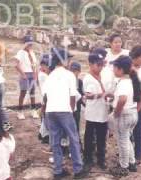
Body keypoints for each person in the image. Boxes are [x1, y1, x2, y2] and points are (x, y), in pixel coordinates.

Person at [42, 47, 88, 179]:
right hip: (64, 110)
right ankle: (78, 169)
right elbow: (73, 96)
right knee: (73, 139)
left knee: (55, 141)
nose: (69, 61)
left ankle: (58, 170)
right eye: (68, 59)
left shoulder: (50, 75)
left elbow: (45, 97)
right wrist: (72, 111)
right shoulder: (69, 75)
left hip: (51, 111)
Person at [109, 55, 141, 177]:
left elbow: (122, 99)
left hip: (124, 114)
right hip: (133, 113)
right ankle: (132, 162)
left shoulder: (123, 83)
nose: (113, 70)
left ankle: (124, 167)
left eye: (114, 67)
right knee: (127, 138)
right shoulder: (131, 81)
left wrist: (117, 112)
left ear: (120, 70)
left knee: (122, 140)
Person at [82, 53, 109, 170]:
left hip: (102, 113)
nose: (100, 67)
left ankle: (101, 159)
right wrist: (103, 94)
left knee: (102, 138)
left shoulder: (101, 76)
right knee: (89, 138)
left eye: (102, 65)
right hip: (93, 114)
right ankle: (88, 159)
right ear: (90, 64)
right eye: (98, 65)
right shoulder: (88, 78)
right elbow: (88, 96)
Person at [14, 35, 39, 120]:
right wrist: (22, 74)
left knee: (32, 93)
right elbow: (16, 65)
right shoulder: (20, 52)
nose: (30, 45)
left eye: (31, 44)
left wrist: (36, 73)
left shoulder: (32, 52)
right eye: (28, 44)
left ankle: (33, 110)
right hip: (25, 74)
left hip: (32, 74)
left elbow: (35, 64)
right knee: (23, 93)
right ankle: (20, 111)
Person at [38, 54, 50, 143]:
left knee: (45, 117)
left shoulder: (43, 73)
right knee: (45, 117)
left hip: (45, 96)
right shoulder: (43, 75)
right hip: (45, 96)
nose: (47, 66)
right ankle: (44, 135)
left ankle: (42, 134)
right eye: (45, 65)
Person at [69, 62, 84, 133]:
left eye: (75, 71)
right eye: (72, 71)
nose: (73, 73)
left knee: (76, 124)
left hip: (77, 107)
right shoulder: (66, 81)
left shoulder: (80, 82)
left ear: (79, 71)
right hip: (68, 107)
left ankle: (77, 141)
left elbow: (81, 95)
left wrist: (84, 104)